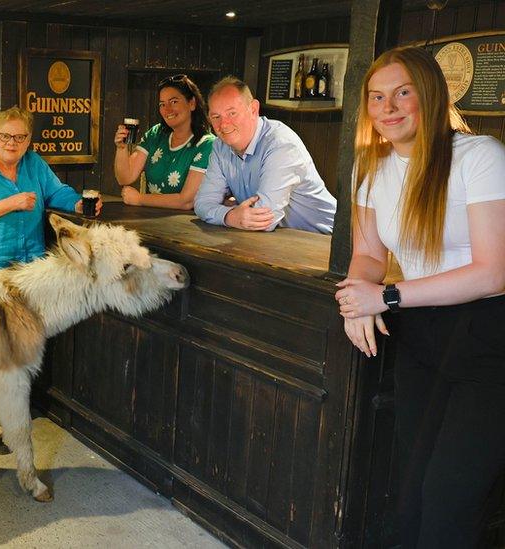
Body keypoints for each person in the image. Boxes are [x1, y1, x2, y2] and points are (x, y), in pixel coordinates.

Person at [335, 46, 505, 548]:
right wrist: (353, 298)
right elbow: (367, 254)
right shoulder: (370, 167)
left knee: (451, 495)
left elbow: (494, 273)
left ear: (429, 94)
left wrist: (384, 297)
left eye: (402, 93)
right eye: (377, 97)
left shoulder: (481, 157)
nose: (388, 108)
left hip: (490, 336)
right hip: (421, 333)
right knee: (411, 488)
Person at [0, 106, 99, 273]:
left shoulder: (33, 162)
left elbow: (56, 192)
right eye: (5, 136)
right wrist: (12, 203)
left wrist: (76, 203)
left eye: (19, 137)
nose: (11, 143)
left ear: (28, 140)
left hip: (28, 266)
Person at [194, 76, 336, 234]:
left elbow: (264, 220)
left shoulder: (280, 144)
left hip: (326, 243)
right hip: (277, 243)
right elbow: (202, 204)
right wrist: (231, 215)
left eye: (232, 113)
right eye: (216, 117)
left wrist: (225, 209)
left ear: (253, 109)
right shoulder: (220, 146)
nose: (223, 124)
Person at [113, 74, 215, 209]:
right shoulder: (156, 134)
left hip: (186, 227)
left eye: (174, 102)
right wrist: (121, 148)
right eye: (162, 104)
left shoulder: (207, 144)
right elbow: (125, 178)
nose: (167, 109)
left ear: (192, 103)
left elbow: (186, 201)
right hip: (149, 223)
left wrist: (139, 199)